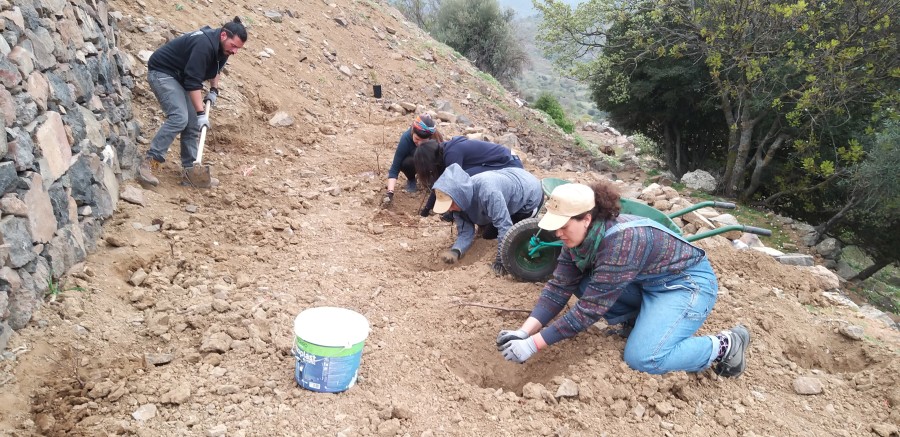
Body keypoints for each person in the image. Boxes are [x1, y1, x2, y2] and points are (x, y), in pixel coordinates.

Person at [496, 181, 750, 378]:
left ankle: (725, 345)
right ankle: (638, 323)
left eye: (564, 225)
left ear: (586, 218)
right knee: (583, 283)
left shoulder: (621, 243)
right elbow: (559, 286)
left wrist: (533, 345)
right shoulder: (577, 240)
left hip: (685, 286)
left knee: (644, 358)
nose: (558, 233)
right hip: (648, 282)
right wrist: (524, 331)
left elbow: (588, 311)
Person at [136, 17, 248, 189]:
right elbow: (192, 83)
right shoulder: (204, 44)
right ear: (224, 35)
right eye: (234, 46)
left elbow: (216, 68)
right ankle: (150, 164)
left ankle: (191, 172)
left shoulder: (223, 48)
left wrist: (214, 90)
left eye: (238, 48)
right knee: (180, 117)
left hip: (179, 77)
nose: (235, 51)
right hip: (162, 72)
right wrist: (201, 113)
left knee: (193, 123)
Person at [432, 164, 542, 274]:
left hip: (528, 195)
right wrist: (456, 250)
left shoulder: (489, 192)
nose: (449, 210)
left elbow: (505, 226)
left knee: (518, 240)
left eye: (450, 205)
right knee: (488, 235)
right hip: (506, 189)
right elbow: (465, 231)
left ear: (459, 197)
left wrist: (501, 261)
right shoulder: (459, 201)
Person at [414, 136, 524, 217]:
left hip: (510, 164)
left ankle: (476, 216)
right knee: (466, 176)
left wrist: (451, 212)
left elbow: (454, 185)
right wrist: (427, 209)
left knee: (467, 179)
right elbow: (441, 183)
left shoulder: (452, 154)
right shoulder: (444, 153)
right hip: (502, 162)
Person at [382, 114, 444, 206]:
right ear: (412, 131)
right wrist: (390, 192)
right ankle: (411, 180)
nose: (419, 143)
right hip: (414, 163)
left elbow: (443, 162)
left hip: (430, 165)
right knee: (405, 163)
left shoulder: (435, 139)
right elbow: (395, 167)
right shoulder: (406, 138)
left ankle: (430, 180)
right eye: (417, 139)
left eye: (424, 141)